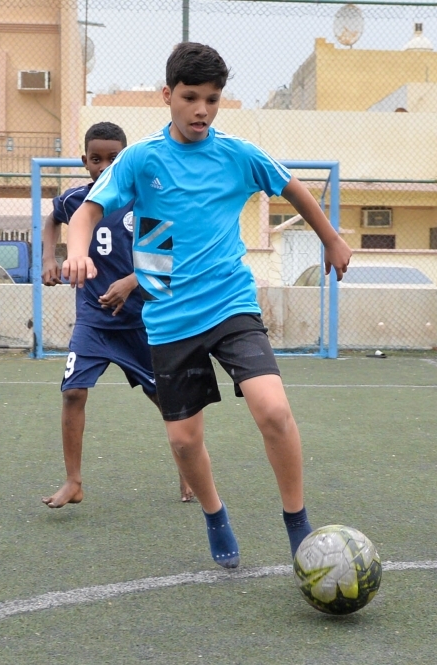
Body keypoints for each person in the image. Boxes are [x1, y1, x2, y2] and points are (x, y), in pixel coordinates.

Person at [60, 43, 352, 568]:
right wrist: (76, 251)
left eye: (212, 99)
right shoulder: (141, 159)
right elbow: (86, 212)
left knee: (274, 410)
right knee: (185, 441)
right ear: (167, 95)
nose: (201, 109)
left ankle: (298, 524)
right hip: (170, 315)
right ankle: (216, 515)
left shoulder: (237, 154)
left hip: (231, 303)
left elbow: (293, 188)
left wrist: (331, 239)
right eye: (190, 97)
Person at [40, 121, 193, 508]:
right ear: (85, 160)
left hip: (141, 321)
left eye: (112, 158)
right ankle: (73, 482)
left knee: (166, 399)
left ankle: (189, 472)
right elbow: (50, 220)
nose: (104, 165)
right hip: (93, 321)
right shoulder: (76, 201)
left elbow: (162, 262)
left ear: (125, 159)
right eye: (95, 159)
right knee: (73, 392)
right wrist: (48, 258)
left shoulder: (146, 202)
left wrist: (128, 283)